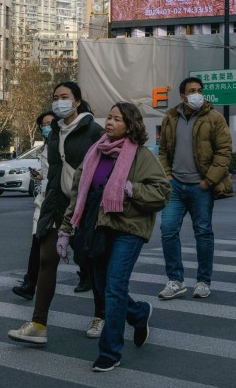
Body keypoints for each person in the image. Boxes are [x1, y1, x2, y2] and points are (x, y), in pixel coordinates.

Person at [58, 102, 171, 372]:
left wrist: (134, 189)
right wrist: (65, 229)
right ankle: (139, 312)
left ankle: (110, 352)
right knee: (104, 286)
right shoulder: (95, 153)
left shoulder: (141, 156)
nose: (110, 122)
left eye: (117, 119)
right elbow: (79, 194)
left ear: (130, 125)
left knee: (115, 285)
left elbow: (163, 192)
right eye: (109, 117)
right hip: (97, 229)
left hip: (128, 228)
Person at [8, 82, 102, 345]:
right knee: (47, 260)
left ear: (77, 102)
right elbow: (53, 172)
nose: (59, 102)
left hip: (86, 207)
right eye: (55, 97)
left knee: (92, 265)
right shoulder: (54, 134)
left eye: (65, 97)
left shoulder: (93, 131)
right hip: (58, 206)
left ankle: (104, 315)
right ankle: (39, 324)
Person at [158, 77, 233, 300]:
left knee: (203, 232)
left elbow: (224, 152)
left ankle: (203, 281)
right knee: (168, 230)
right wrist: (167, 175)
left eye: (200, 90)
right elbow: (162, 150)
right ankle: (175, 280)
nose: (197, 94)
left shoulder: (215, 118)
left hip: (201, 186)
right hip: (175, 186)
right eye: (192, 91)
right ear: (182, 96)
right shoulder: (170, 117)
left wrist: (208, 181)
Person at [13, 111, 56, 301]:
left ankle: (88, 276)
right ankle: (30, 283)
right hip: (44, 201)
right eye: (43, 125)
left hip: (58, 202)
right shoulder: (47, 146)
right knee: (37, 243)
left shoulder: (63, 144)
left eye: (50, 123)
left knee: (77, 248)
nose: (46, 127)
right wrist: (40, 176)